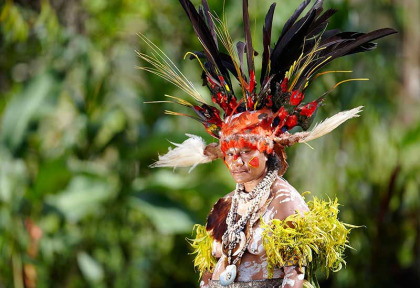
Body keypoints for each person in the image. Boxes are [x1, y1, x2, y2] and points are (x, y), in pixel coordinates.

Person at [141, 1, 396, 286]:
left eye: (246, 152)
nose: (236, 161)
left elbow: (294, 276)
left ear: (266, 150)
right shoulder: (224, 205)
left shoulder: (284, 201)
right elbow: (208, 274)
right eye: (230, 153)